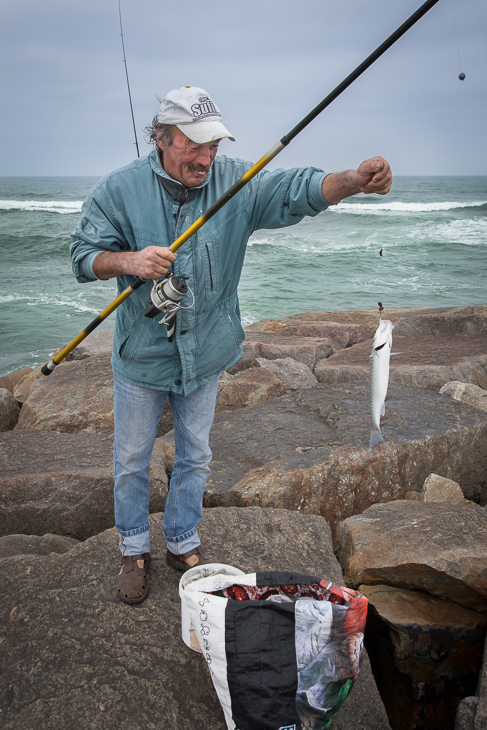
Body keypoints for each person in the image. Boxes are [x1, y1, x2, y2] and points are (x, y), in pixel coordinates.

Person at [70, 85, 392, 604]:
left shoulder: (234, 179)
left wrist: (352, 181)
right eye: (194, 145)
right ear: (161, 138)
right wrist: (129, 261)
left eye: (213, 144)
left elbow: (295, 191)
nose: (206, 157)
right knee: (131, 458)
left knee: (197, 454)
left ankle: (181, 540)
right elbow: (82, 257)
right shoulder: (118, 190)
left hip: (210, 351)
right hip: (142, 357)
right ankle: (133, 547)